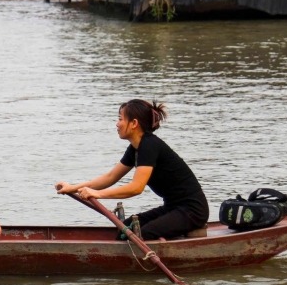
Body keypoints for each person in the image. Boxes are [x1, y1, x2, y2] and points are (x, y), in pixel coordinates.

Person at [54, 100, 208, 240]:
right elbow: (110, 177)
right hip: (172, 208)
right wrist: (72, 188)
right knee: (126, 228)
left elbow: (136, 188)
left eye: (120, 119)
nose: (117, 124)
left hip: (192, 211)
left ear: (134, 123)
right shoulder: (135, 148)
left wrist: (98, 194)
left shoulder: (149, 145)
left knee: (141, 234)